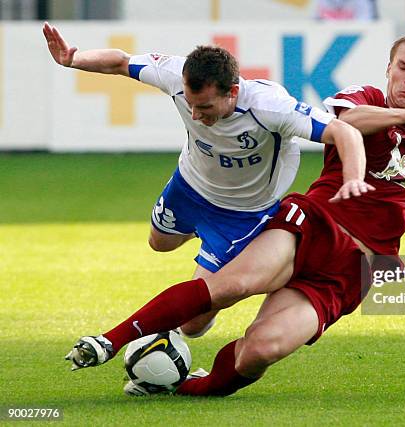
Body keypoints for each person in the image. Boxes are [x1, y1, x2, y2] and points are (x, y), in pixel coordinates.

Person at [65, 32, 405, 397]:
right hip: (311, 224)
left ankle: (186, 388)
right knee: (233, 286)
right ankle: (108, 343)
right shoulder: (364, 99)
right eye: (402, 67)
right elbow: (346, 124)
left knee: (262, 350)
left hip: (357, 266)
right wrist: (402, 115)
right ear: (389, 68)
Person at [43, 22, 371, 337]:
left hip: (243, 212)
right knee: (159, 243)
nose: (196, 115)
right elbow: (120, 61)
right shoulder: (174, 73)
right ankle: (202, 238)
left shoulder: (271, 108)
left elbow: (343, 130)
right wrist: (73, 59)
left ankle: (223, 256)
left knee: (192, 325)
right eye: (191, 104)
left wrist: (354, 177)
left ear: (233, 92)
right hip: (191, 186)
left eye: (205, 106)